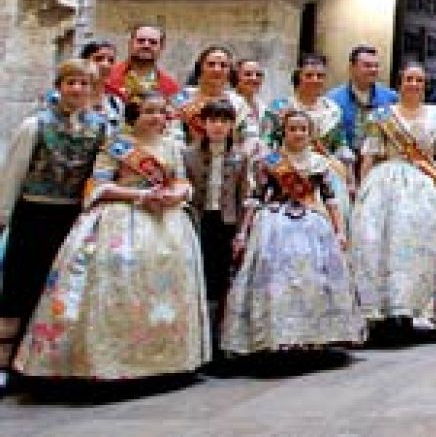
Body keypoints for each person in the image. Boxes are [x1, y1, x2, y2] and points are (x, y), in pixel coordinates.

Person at [15, 92, 209, 381]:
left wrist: (177, 193)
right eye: (149, 112)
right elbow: (99, 185)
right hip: (121, 219)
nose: (157, 118)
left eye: (161, 112)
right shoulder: (116, 146)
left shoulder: (171, 146)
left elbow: (181, 180)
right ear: (134, 116)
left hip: (166, 225)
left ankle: (165, 362)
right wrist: (140, 195)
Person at [0, 60, 110, 389]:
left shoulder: (99, 128)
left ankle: (38, 362)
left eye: (83, 84)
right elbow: (14, 174)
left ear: (92, 89)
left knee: (57, 289)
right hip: (34, 213)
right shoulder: (36, 125)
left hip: (71, 217)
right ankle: (4, 362)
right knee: (19, 286)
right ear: (60, 86)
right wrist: (3, 215)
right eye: (71, 83)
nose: (77, 89)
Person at [221, 107, 364, 357]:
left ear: (311, 133)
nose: (298, 134)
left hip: (312, 224)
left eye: (303, 129)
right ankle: (276, 335)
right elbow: (256, 198)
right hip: (275, 225)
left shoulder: (320, 163)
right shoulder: (270, 162)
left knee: (312, 278)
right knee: (276, 278)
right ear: (283, 132)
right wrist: (243, 233)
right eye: (293, 129)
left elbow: (330, 199)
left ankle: (311, 336)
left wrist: (340, 231)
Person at [349, 62, 436, 346]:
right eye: (409, 79)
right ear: (399, 83)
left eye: (419, 80)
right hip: (386, 183)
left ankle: (412, 313)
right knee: (381, 247)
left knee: (417, 250)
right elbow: (369, 156)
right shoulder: (383, 116)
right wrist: (361, 189)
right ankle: (382, 315)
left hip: (424, 186)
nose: (414, 84)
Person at [183, 100, 251, 354]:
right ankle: (203, 342)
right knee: (201, 279)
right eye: (213, 121)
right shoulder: (187, 154)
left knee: (224, 280)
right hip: (199, 222)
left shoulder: (240, 157)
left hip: (226, 223)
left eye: (224, 121)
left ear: (232, 125)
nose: (218, 126)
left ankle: (222, 341)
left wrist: (242, 231)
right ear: (203, 123)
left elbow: (245, 196)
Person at [265, 53, 354, 223]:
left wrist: (350, 179)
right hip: (284, 172)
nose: (315, 80)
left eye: (320, 76)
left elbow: (341, 146)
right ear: (299, 76)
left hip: (323, 174)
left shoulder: (332, 109)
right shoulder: (280, 107)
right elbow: (267, 145)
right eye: (309, 75)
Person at [327, 44, 397, 172]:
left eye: (376, 66)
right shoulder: (333, 99)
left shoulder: (391, 98)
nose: (373, 70)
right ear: (351, 68)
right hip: (343, 165)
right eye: (367, 66)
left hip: (379, 165)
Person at [171, 45, 257, 147]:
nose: (217, 69)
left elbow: (251, 137)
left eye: (223, 65)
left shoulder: (238, 102)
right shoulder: (182, 98)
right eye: (211, 64)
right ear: (200, 68)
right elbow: (172, 134)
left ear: (230, 71)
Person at [102, 24, 182, 100]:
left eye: (153, 42)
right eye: (141, 41)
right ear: (130, 44)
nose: (146, 45)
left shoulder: (171, 88)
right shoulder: (106, 77)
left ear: (161, 48)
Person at [77, 39, 123, 127]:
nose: (105, 64)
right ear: (84, 62)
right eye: (98, 59)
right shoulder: (68, 96)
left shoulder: (115, 103)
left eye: (111, 61)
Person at [233, 58, 268, 146]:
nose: (254, 78)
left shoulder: (264, 107)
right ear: (237, 77)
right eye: (248, 74)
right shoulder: (229, 104)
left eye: (258, 75)